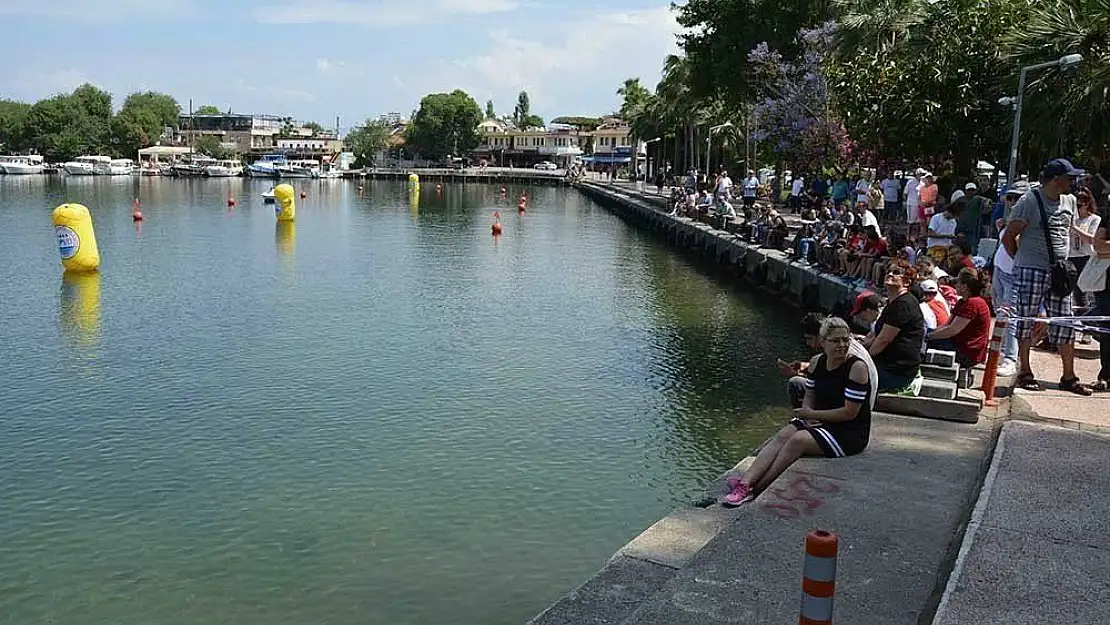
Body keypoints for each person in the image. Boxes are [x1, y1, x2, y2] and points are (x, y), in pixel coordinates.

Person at [724, 317, 873, 506]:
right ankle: (745, 482)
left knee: (798, 440)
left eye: (845, 340)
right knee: (784, 434)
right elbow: (810, 393)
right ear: (823, 342)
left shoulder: (857, 368)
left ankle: (757, 488)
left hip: (849, 431)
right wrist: (808, 411)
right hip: (824, 420)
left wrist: (811, 415)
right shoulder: (817, 362)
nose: (842, 345)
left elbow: (849, 413)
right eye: (835, 341)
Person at [1002, 158, 1092, 395]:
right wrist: (1021, 263)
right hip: (1031, 268)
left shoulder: (1070, 201)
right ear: (1055, 179)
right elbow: (1009, 236)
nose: (1073, 181)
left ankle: (1069, 376)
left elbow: (1066, 230)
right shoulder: (1029, 201)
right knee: (1026, 320)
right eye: (1069, 177)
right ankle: (1025, 371)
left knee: (1065, 321)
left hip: (1060, 271)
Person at [782, 313, 878, 409]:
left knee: (795, 383)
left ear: (821, 337)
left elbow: (834, 381)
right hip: (859, 397)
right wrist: (803, 366)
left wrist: (798, 374)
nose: (808, 343)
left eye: (810, 339)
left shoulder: (841, 353)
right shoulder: (838, 347)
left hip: (854, 407)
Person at [860, 266, 925, 391]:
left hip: (896, 370)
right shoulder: (893, 302)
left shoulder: (904, 304)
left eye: (895, 273)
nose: (889, 274)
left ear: (906, 282)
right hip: (887, 362)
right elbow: (876, 335)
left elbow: (884, 340)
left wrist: (864, 358)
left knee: (849, 375)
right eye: (888, 271)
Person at [1070, 198, 1110, 390]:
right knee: (1106, 330)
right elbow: (1098, 245)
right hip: (1106, 285)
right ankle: (1106, 376)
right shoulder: (1107, 219)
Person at [927, 270, 993, 368]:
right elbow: (946, 325)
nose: (955, 285)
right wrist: (927, 333)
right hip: (957, 344)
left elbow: (952, 330)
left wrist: (927, 337)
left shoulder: (973, 303)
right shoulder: (962, 302)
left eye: (957, 282)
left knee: (919, 344)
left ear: (965, 287)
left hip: (967, 353)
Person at [1068, 187, 1101, 310]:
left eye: (1080, 205)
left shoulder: (1094, 219)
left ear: (1087, 204)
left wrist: (1074, 228)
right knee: (1068, 291)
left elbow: (1091, 239)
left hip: (1085, 258)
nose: (1077, 208)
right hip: (1070, 256)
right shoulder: (1072, 218)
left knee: (1081, 292)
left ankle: (1085, 320)